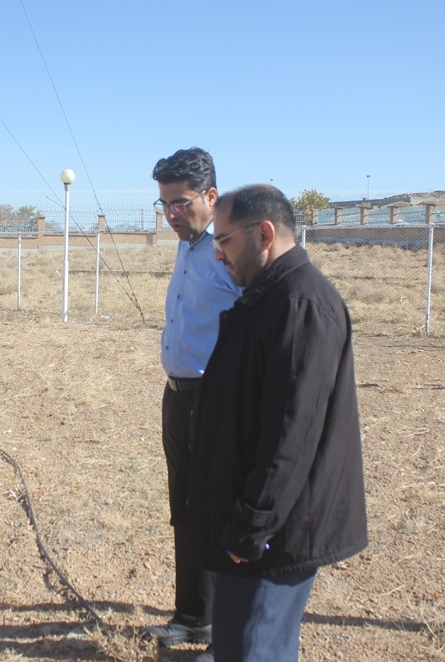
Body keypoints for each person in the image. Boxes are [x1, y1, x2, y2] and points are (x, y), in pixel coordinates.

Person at [184, 184, 368, 662]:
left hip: (273, 536)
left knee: (253, 648)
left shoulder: (300, 305)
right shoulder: (269, 295)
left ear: (264, 234)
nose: (217, 254)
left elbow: (292, 433)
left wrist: (254, 523)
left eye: (223, 240)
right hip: (254, 524)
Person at [145, 148, 241, 652]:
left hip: (216, 400)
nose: (171, 214)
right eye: (164, 204)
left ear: (211, 196)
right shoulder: (187, 246)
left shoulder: (228, 250)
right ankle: (192, 616)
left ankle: (226, 632)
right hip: (178, 397)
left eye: (180, 203)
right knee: (184, 508)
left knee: (218, 513)